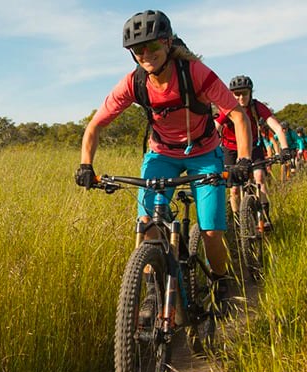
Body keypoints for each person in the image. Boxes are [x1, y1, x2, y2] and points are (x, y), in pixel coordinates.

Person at [74, 10, 253, 313]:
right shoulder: (134, 83)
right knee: (148, 225)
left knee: (211, 231)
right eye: (138, 49)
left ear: (168, 43)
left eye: (153, 46)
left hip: (204, 153)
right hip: (161, 154)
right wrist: (86, 165)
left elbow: (237, 116)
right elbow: (95, 126)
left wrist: (244, 160)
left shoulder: (195, 73)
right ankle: (152, 293)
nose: (146, 54)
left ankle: (221, 281)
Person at [216, 75, 291, 230]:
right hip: (230, 149)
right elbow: (215, 127)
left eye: (244, 93)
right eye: (236, 94)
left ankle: (264, 217)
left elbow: (277, 127)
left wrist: (284, 148)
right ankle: (238, 223)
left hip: (253, 147)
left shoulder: (256, 107)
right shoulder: (227, 108)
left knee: (259, 177)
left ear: (250, 93)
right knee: (234, 189)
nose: (241, 97)